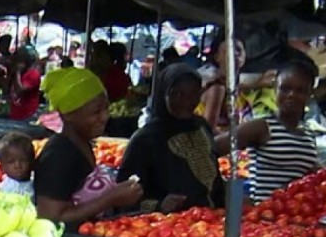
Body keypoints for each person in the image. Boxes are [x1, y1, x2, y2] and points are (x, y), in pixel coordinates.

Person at [34, 67, 144, 224]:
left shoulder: (80, 143)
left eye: (106, 108)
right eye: (96, 112)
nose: (105, 117)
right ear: (68, 115)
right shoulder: (58, 155)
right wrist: (110, 199)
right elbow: (50, 218)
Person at [118, 64, 225, 212]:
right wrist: (159, 205)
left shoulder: (201, 127)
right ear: (164, 94)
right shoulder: (146, 139)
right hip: (165, 229)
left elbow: (214, 180)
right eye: (176, 94)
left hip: (210, 223)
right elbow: (122, 197)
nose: (186, 100)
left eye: (193, 94)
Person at [217, 62, 320, 203]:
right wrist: (227, 191)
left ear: (310, 94)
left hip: (297, 217)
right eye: (285, 89)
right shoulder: (262, 127)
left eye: (300, 90)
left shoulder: (308, 134)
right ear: (275, 89)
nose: (291, 95)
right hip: (264, 217)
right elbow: (211, 148)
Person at [199, 34, 276, 130]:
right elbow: (208, 133)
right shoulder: (217, 89)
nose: (235, 53)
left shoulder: (240, 95)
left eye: (239, 49)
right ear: (216, 57)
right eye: (229, 50)